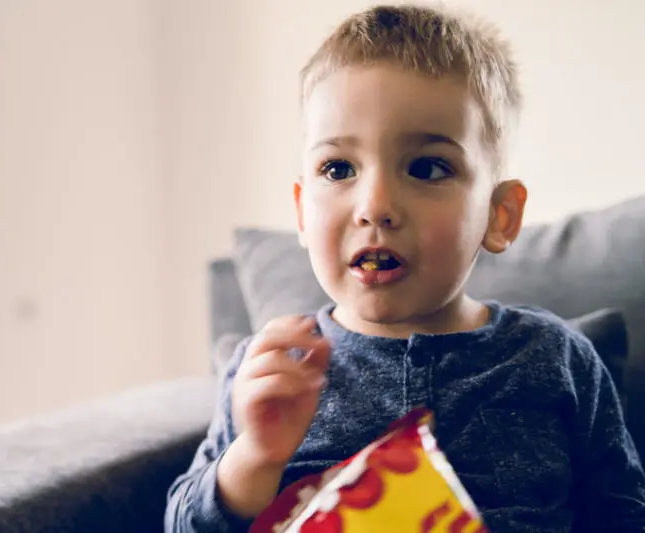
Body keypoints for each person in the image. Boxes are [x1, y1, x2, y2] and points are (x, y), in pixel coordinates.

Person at [164, 3, 645, 532]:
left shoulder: (555, 359)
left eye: (427, 167)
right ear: (302, 211)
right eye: (338, 168)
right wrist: (254, 458)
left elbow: (622, 514)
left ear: (499, 215)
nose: (376, 204)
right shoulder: (272, 370)